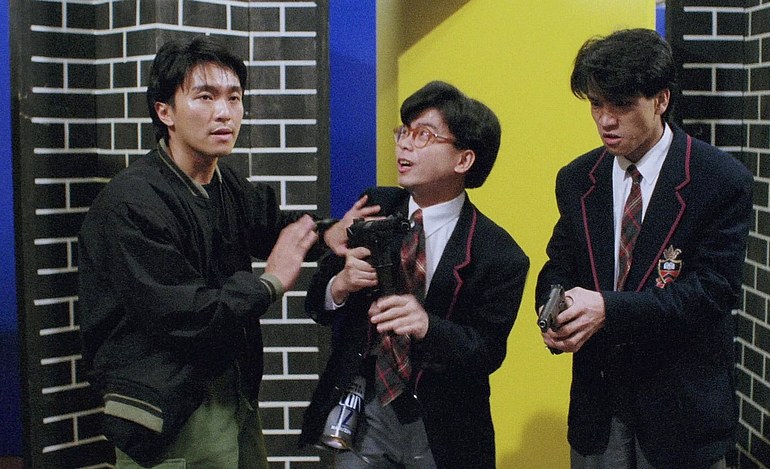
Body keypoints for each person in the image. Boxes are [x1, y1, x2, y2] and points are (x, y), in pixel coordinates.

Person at [78, 36, 325, 468]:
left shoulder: (225, 183)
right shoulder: (130, 203)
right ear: (165, 112)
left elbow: (275, 224)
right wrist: (269, 283)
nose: (224, 112)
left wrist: (331, 234)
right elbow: (187, 316)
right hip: (167, 409)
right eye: (205, 97)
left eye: (234, 98)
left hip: (232, 396)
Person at [535, 29, 753, 469]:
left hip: (680, 409)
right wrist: (554, 310)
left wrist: (609, 310)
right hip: (599, 407)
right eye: (596, 104)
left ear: (661, 100)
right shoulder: (577, 179)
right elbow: (560, 264)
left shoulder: (719, 179)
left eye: (621, 105)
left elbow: (712, 292)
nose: (605, 120)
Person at [298, 81, 530, 468]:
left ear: (464, 160)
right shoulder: (374, 206)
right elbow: (317, 303)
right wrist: (340, 285)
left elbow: (487, 352)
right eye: (403, 132)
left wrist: (427, 326)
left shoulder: (499, 253)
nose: (405, 145)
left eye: (423, 135)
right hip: (364, 411)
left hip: (443, 423)